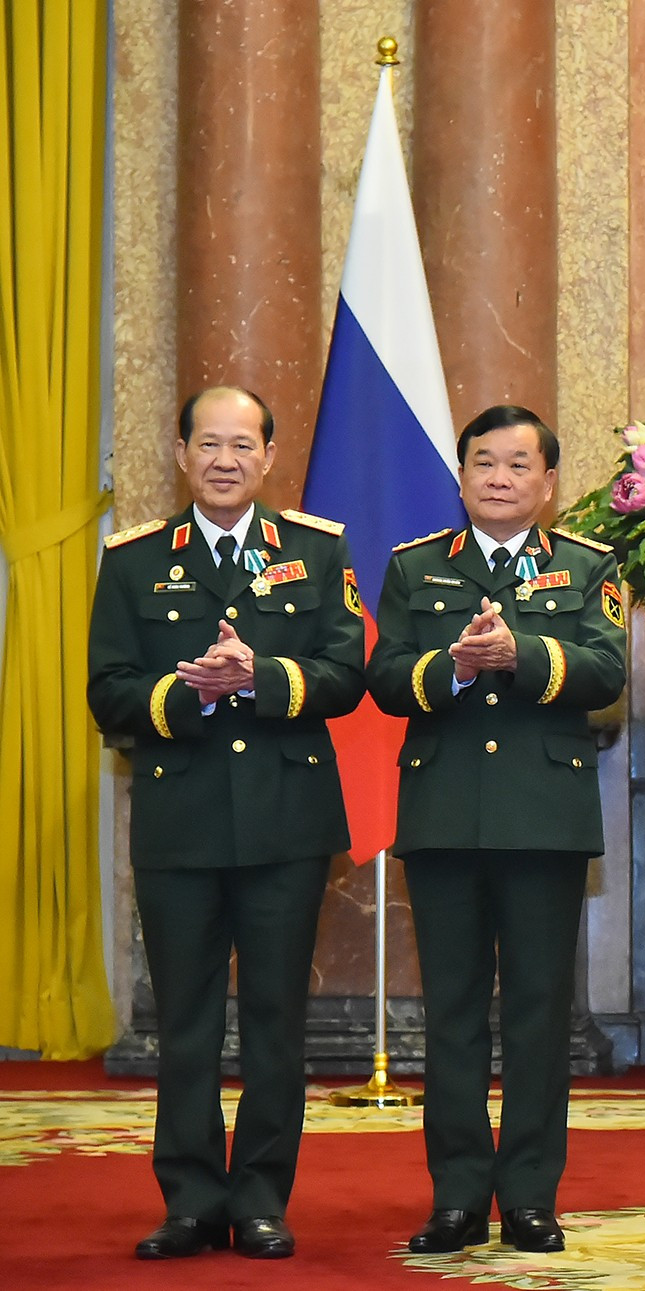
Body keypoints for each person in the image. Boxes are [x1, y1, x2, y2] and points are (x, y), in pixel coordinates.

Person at [87, 386, 366, 1260]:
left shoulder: (317, 551)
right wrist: (183, 692)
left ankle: (260, 1199)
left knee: (278, 1018)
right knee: (186, 1020)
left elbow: (345, 671)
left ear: (269, 457)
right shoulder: (133, 559)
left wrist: (260, 676)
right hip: (181, 822)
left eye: (243, 445)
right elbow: (108, 691)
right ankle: (191, 1198)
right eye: (209, 443)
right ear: (180, 454)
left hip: (287, 820)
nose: (225, 459)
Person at [367, 405, 627, 1256]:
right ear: (463, 475)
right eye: (485, 463)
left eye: (519, 465)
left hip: (542, 823)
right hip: (442, 818)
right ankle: (456, 1196)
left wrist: (525, 656)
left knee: (537, 1017)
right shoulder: (414, 568)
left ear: (548, 483)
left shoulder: (588, 565)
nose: (501, 478)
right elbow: (385, 676)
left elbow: (607, 671)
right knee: (450, 1017)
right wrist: (452, 665)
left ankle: (528, 1196)